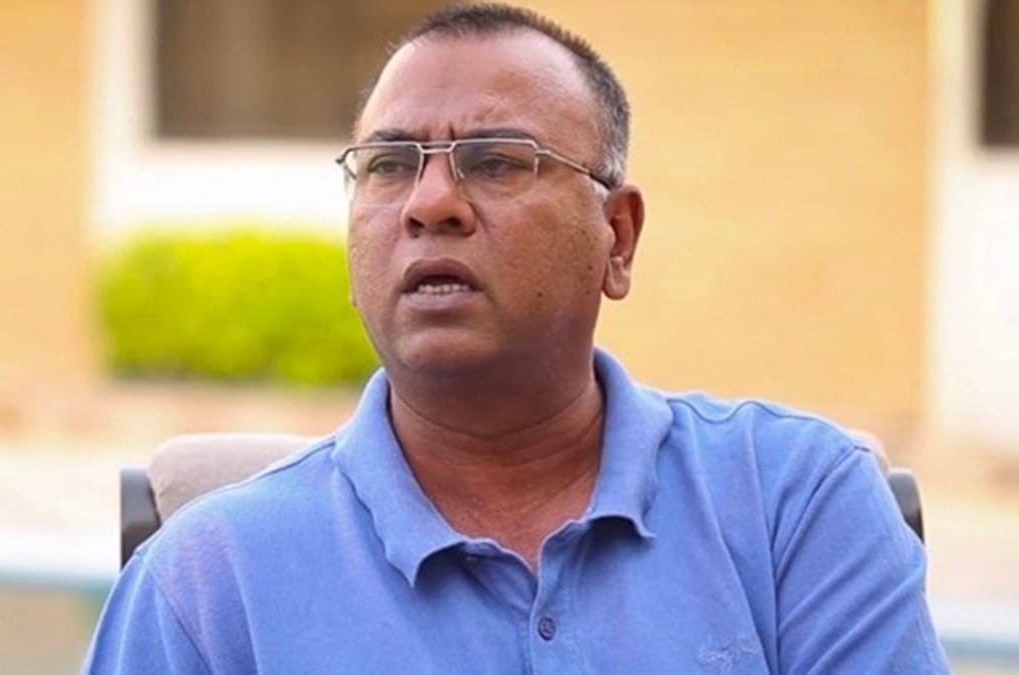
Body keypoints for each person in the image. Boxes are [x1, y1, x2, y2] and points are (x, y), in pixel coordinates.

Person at [83, 4, 948, 672]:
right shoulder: (208, 580)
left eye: (496, 161)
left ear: (618, 237)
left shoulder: (794, 504)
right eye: (388, 165)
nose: (429, 203)